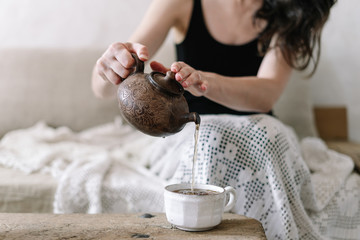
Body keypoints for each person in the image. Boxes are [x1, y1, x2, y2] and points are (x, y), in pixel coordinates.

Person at [91, 1, 350, 239]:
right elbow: (100, 90)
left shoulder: (292, 9)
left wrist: (204, 81)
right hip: (194, 130)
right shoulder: (181, 3)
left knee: (269, 136)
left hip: (257, 131)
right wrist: (111, 67)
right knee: (211, 137)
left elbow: (266, 93)